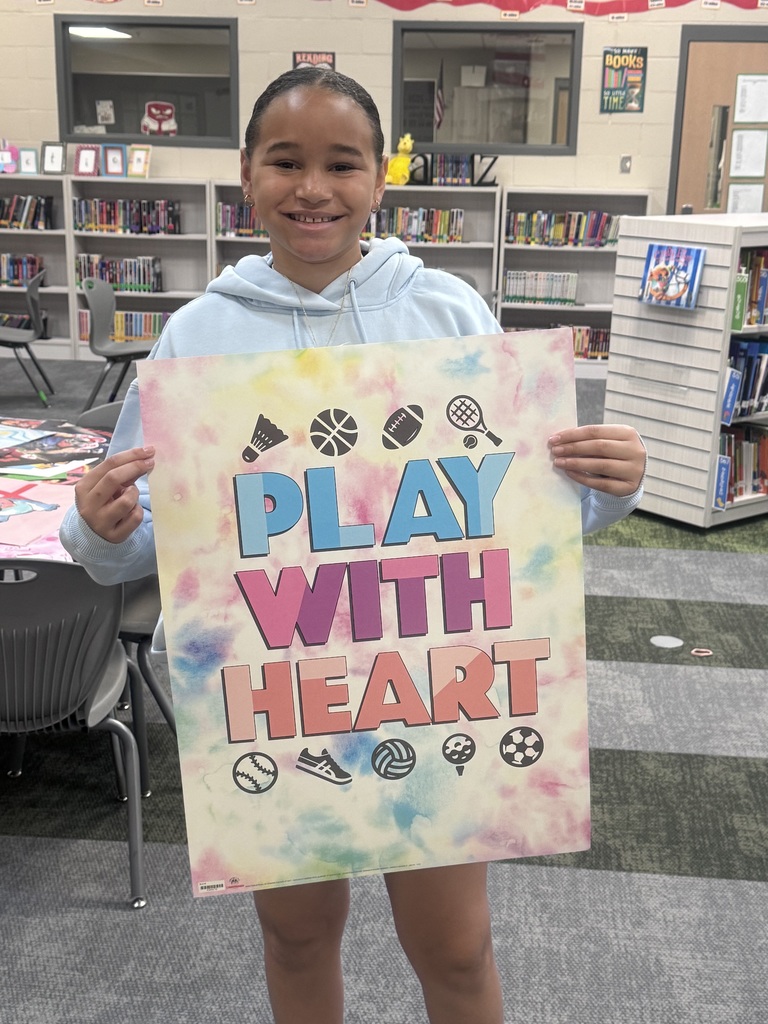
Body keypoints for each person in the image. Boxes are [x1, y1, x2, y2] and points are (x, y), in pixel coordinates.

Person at [60, 67, 646, 1024]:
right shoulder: (197, 339)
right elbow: (135, 548)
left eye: (343, 163)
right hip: (273, 696)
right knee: (296, 937)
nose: (313, 188)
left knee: (455, 946)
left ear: (381, 182)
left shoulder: (447, 314)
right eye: (285, 162)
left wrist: (605, 491)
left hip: (435, 682)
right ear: (247, 173)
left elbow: (513, 520)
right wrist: (98, 525)